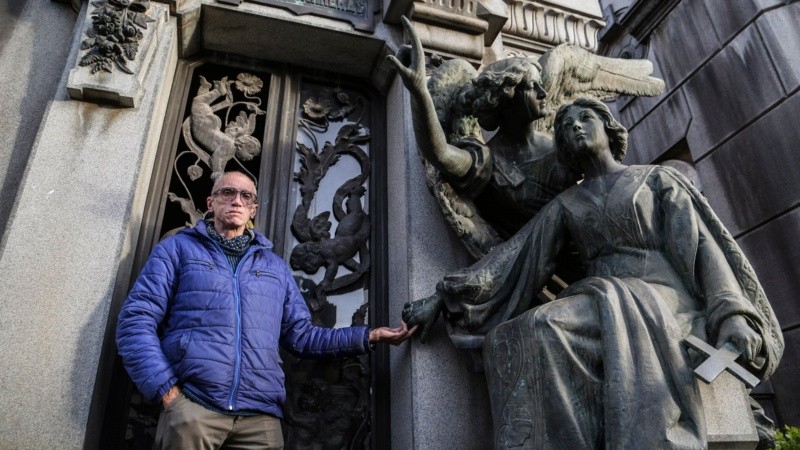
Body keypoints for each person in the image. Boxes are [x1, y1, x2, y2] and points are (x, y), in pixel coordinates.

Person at [403, 98, 783, 448]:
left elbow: (703, 249)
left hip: (663, 298)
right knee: (507, 337)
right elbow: (514, 256)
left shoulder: (656, 179)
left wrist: (731, 314)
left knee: (545, 326)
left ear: (609, 127)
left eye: (586, 118)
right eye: (566, 127)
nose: (576, 127)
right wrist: (442, 297)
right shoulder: (566, 203)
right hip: (602, 296)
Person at [116, 171, 415, 449]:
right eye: (227, 193)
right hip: (195, 409)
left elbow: (302, 336)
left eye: (245, 196)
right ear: (210, 203)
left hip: (260, 421)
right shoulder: (177, 250)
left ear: (253, 210)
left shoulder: (274, 267)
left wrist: (369, 336)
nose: (236, 201)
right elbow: (135, 321)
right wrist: (168, 393)